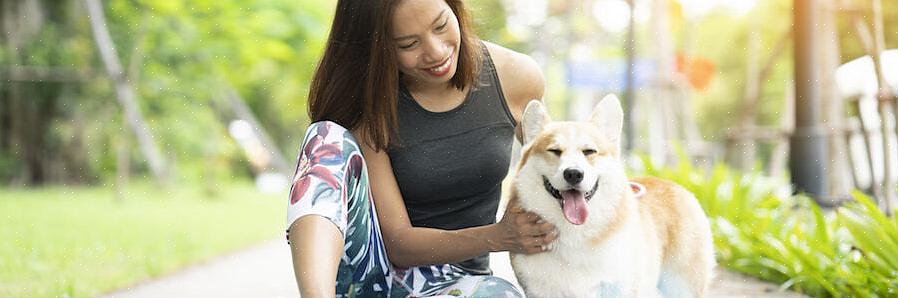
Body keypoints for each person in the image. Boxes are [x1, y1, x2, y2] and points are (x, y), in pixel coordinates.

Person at [286, 0, 553, 296]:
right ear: (379, 48)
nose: (436, 52)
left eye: (441, 25)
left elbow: (555, 174)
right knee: (325, 137)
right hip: (366, 275)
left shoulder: (516, 76)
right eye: (408, 44)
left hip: (456, 282)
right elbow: (398, 243)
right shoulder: (365, 103)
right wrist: (497, 236)